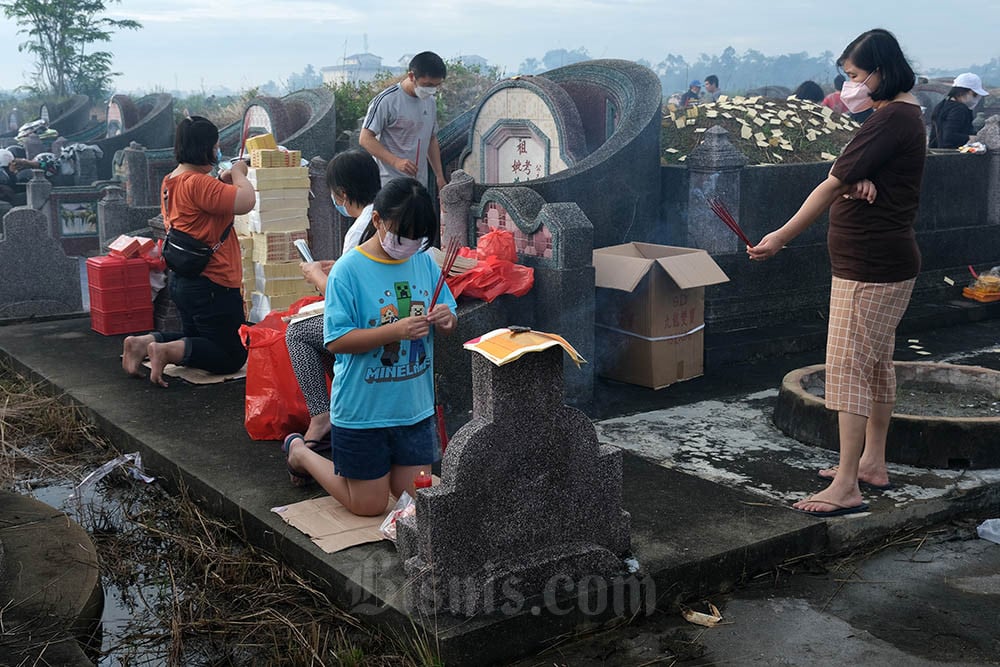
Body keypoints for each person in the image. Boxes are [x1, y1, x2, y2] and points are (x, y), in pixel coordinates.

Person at [747, 29, 926, 518]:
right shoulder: (902, 117)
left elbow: (830, 183)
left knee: (849, 370)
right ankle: (872, 462)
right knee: (874, 366)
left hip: (868, 266)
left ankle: (847, 484)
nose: (850, 86)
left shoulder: (891, 118)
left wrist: (780, 237)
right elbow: (859, 176)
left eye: (853, 76)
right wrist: (860, 182)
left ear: (880, 71)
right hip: (885, 260)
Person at [284, 177, 458, 516]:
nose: (409, 244)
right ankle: (301, 452)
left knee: (415, 503)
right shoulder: (348, 271)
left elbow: (450, 314)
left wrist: (446, 319)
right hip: (363, 411)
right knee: (369, 505)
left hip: (414, 408)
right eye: (402, 234)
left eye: (418, 237)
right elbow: (337, 340)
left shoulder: (422, 261)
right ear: (377, 220)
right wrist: (396, 330)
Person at [122, 116, 256, 387]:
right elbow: (246, 201)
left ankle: (143, 343)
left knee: (197, 340)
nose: (217, 152)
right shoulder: (198, 183)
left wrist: (223, 179)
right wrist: (240, 172)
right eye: (216, 146)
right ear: (204, 148)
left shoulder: (172, 180)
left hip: (185, 279)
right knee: (231, 355)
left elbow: (205, 205)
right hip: (213, 282)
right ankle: (165, 351)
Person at [284, 150, 381, 448]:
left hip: (369, 324)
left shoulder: (360, 229)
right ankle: (346, 399)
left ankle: (321, 414)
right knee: (316, 326)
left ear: (341, 194)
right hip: (389, 312)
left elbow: (343, 298)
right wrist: (335, 267)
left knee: (297, 332)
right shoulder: (383, 217)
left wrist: (315, 275)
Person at [360, 51, 448, 191]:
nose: (431, 90)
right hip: (389, 184)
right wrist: (396, 161)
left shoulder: (430, 102)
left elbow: (431, 139)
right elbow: (365, 138)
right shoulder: (387, 100)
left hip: (418, 185)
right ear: (412, 76)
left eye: (435, 86)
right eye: (427, 84)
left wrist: (439, 176)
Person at [928, 72, 989, 149]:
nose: (976, 98)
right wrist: (970, 137)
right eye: (975, 94)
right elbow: (949, 136)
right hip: (951, 154)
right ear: (966, 92)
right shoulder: (959, 109)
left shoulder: (942, 105)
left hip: (936, 150)